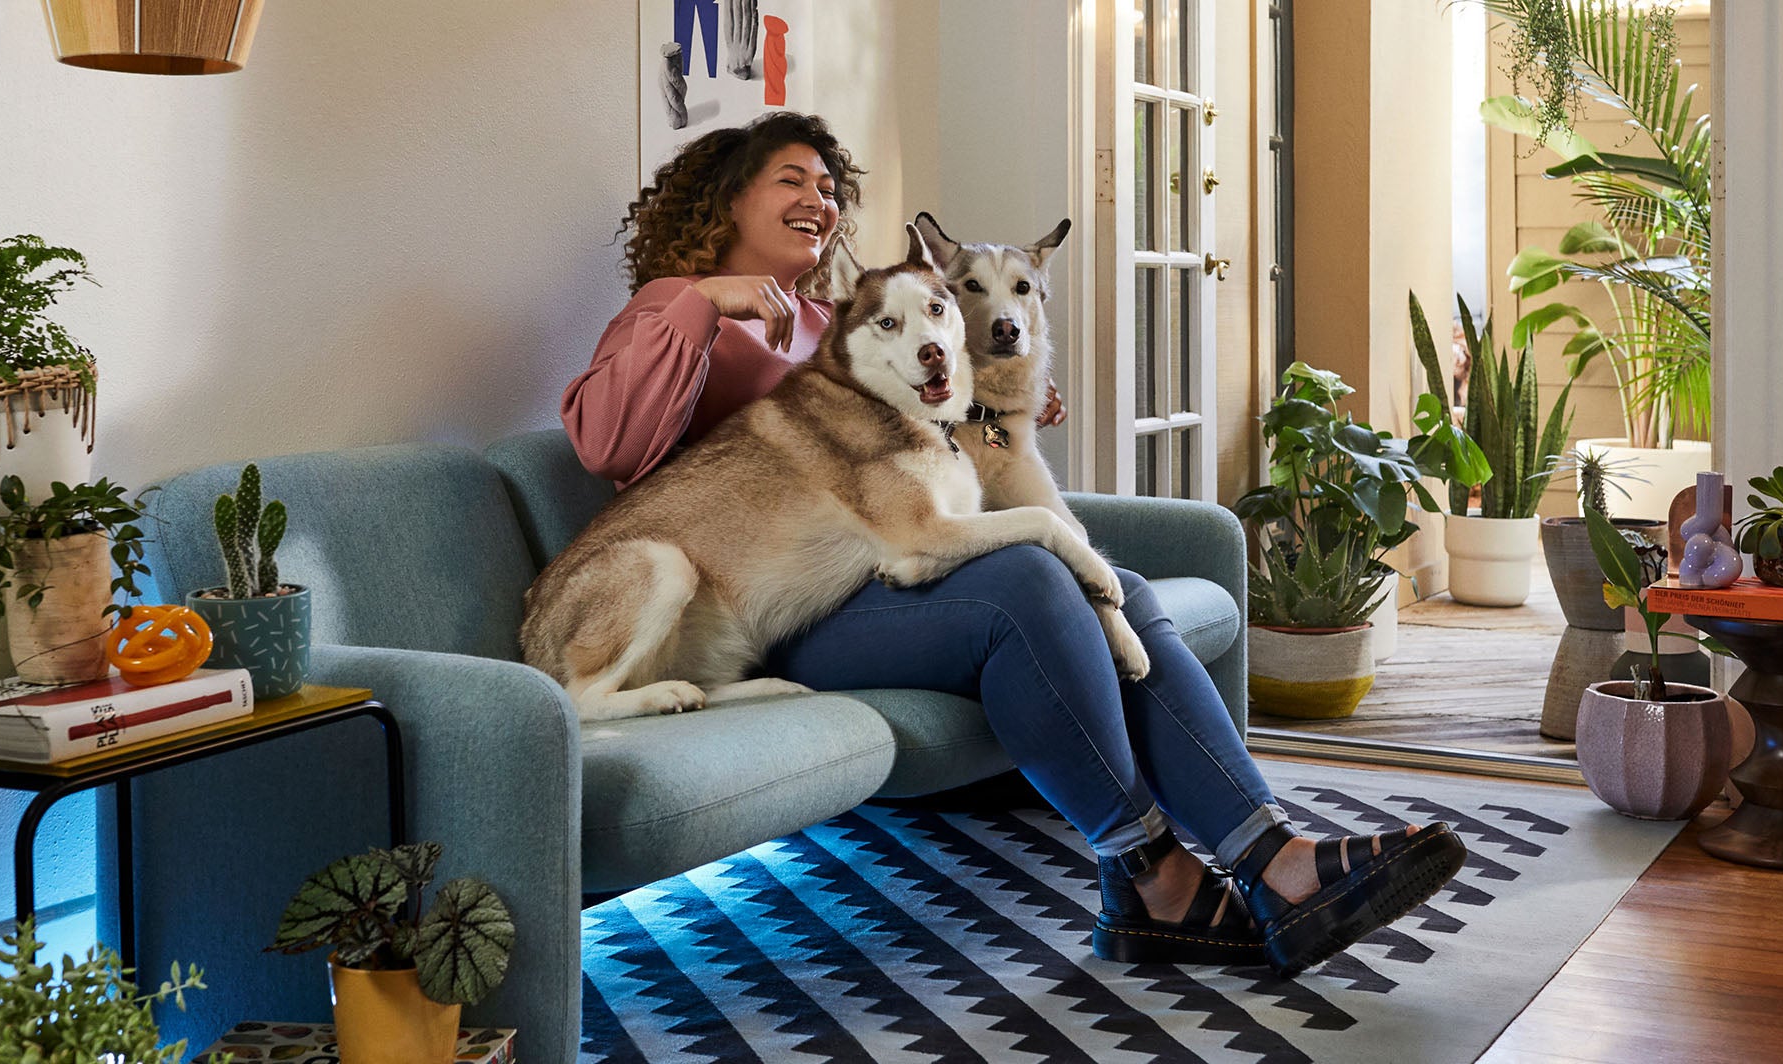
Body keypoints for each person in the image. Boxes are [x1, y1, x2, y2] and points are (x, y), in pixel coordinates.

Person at [562, 111, 1467, 976]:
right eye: (790, 179)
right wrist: (698, 300)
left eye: (830, 186)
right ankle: (1152, 874)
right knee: (1033, 584)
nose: (819, 198)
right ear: (725, 201)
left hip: (862, 569)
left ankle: (1270, 854)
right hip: (768, 604)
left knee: (1120, 589)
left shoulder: (828, 322)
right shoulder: (671, 306)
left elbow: (906, 456)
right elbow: (608, 443)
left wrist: (995, 404)